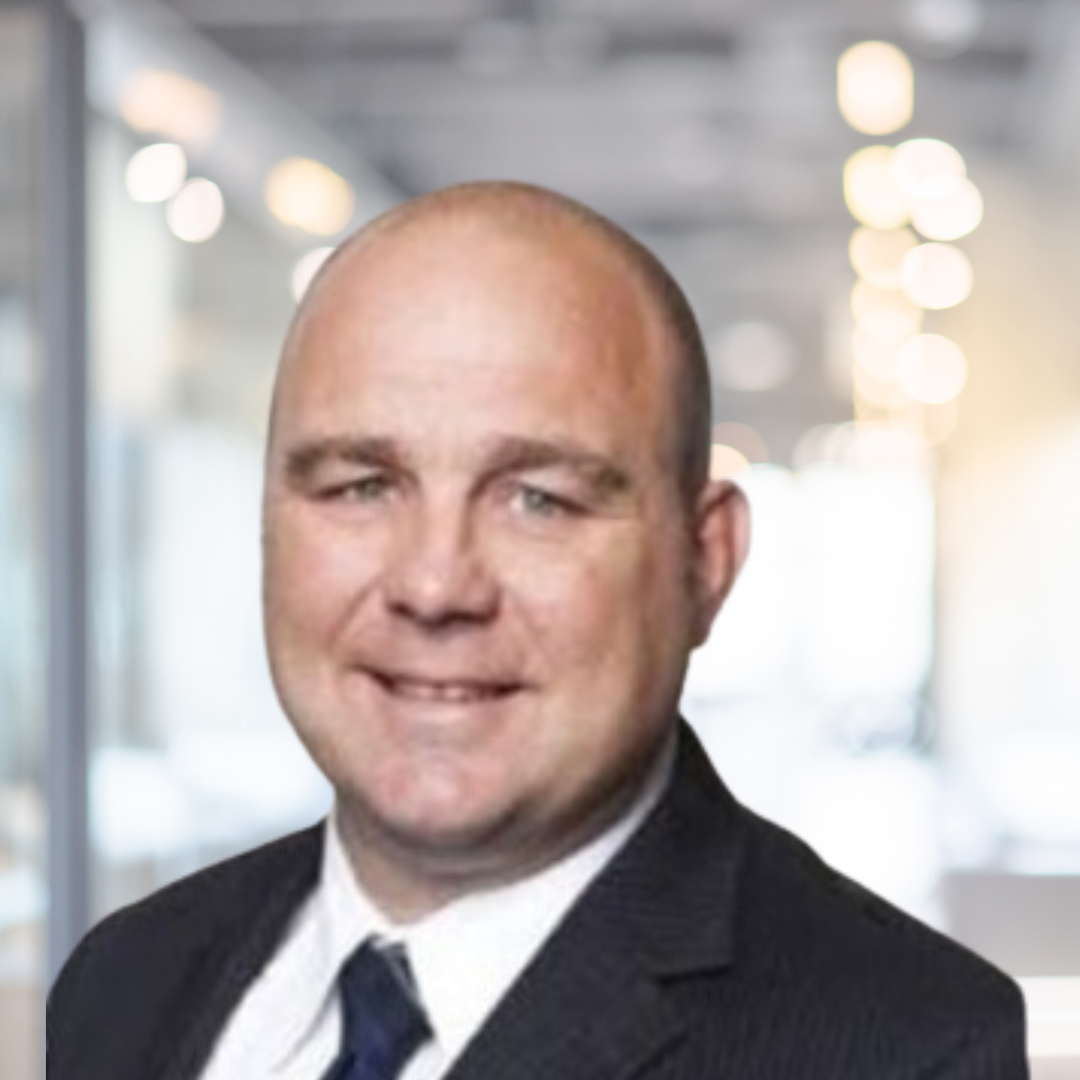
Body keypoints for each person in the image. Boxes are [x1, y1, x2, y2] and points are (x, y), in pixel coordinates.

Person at [47, 182, 1027, 1080]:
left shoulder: (903, 1049)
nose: (434, 585)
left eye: (539, 500)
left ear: (705, 561)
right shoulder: (125, 982)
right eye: (363, 486)